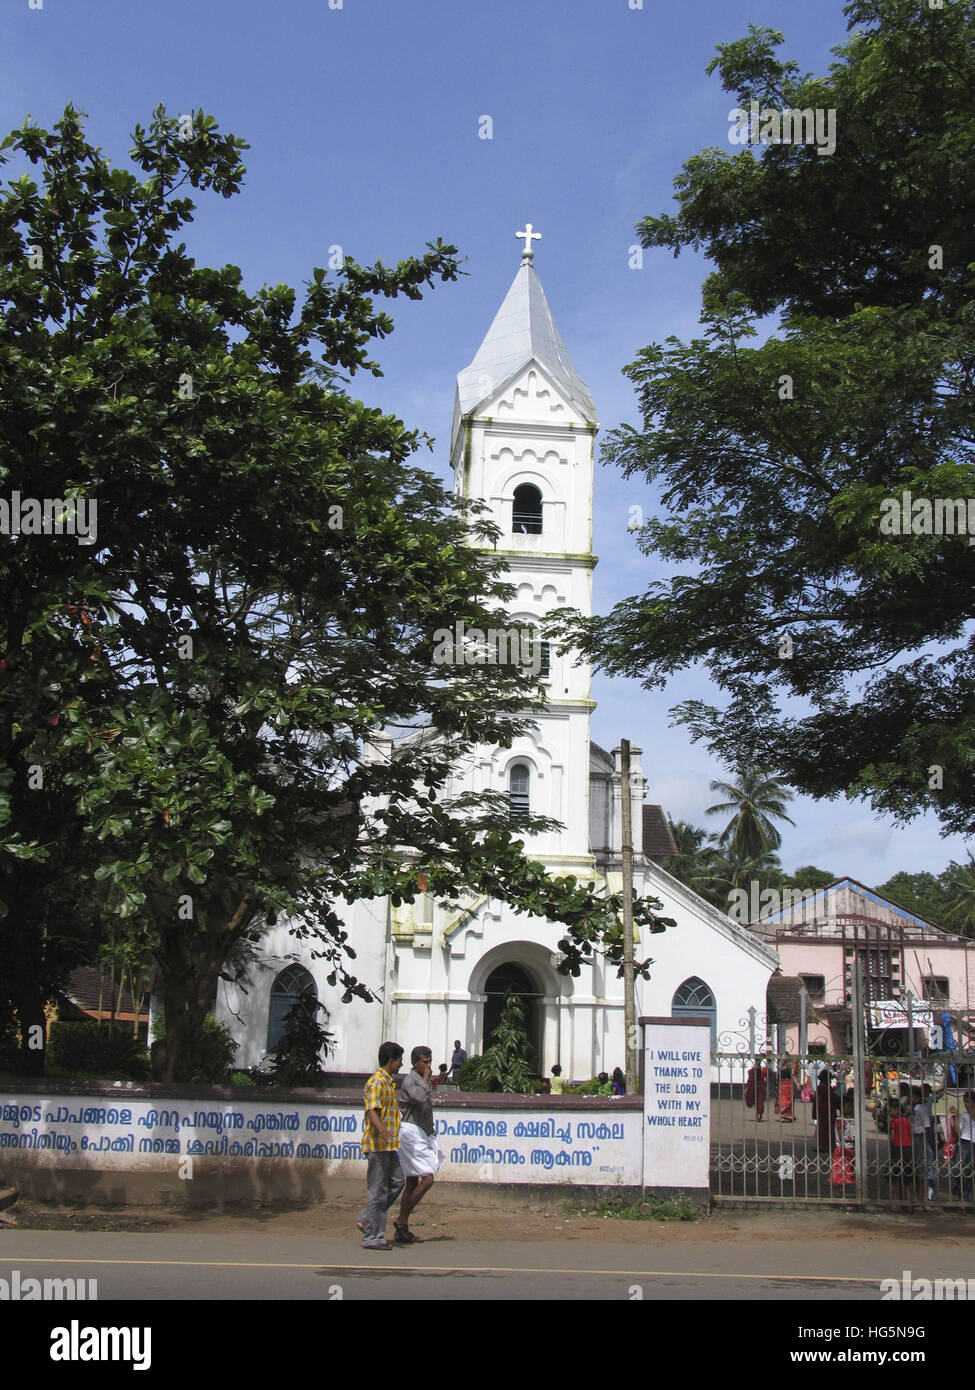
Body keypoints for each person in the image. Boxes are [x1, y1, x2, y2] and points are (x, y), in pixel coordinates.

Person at [357, 1041, 404, 1251]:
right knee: (377, 1190)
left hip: (389, 1145)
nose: (401, 1065)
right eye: (399, 1060)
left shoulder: (388, 1083)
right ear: (391, 1061)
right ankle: (372, 1236)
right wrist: (383, 1131)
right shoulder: (377, 1082)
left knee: (397, 1181)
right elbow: (371, 1111)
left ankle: (368, 1218)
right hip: (377, 1144)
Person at [394, 1045, 442, 1244]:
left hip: (421, 1132)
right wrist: (425, 1080)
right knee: (428, 1179)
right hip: (411, 1133)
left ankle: (402, 1230)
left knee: (412, 1182)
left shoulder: (422, 1080)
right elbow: (420, 1097)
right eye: (425, 1062)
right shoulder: (410, 1081)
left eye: (430, 1062)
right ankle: (401, 1219)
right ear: (415, 1063)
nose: (428, 1066)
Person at [953, 1091, 975, 1201]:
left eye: (968, 1102)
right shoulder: (963, 1115)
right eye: (964, 1102)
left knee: (971, 1172)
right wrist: (956, 1117)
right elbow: (958, 1131)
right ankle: (962, 1198)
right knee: (960, 1170)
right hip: (965, 1142)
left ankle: (970, 1199)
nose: (966, 1104)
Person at [813, 1068, 835, 1151]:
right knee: (830, 1130)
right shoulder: (829, 1089)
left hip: (821, 1110)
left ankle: (823, 1145)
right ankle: (829, 1145)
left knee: (822, 1129)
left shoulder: (819, 1088)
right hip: (829, 1110)